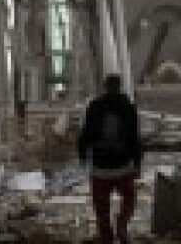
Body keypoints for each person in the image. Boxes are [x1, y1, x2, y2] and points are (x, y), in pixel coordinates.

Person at [78, 74, 142, 244]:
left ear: (105, 87)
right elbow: (135, 138)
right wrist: (137, 163)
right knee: (125, 201)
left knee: (103, 207)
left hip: (106, 165)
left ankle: (111, 233)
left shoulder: (98, 106)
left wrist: (83, 154)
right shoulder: (126, 107)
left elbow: (86, 133)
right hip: (116, 165)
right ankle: (118, 227)